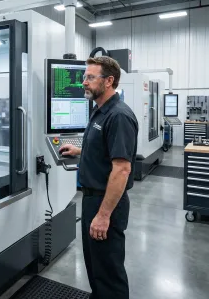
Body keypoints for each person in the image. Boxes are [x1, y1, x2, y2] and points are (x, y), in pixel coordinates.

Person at [59, 56, 138, 299]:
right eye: (85, 77)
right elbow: (106, 149)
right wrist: (80, 150)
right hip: (93, 200)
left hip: (106, 204)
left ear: (109, 81)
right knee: (96, 268)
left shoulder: (118, 116)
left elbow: (122, 169)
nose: (84, 82)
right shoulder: (100, 111)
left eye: (90, 77)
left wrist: (103, 216)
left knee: (108, 273)